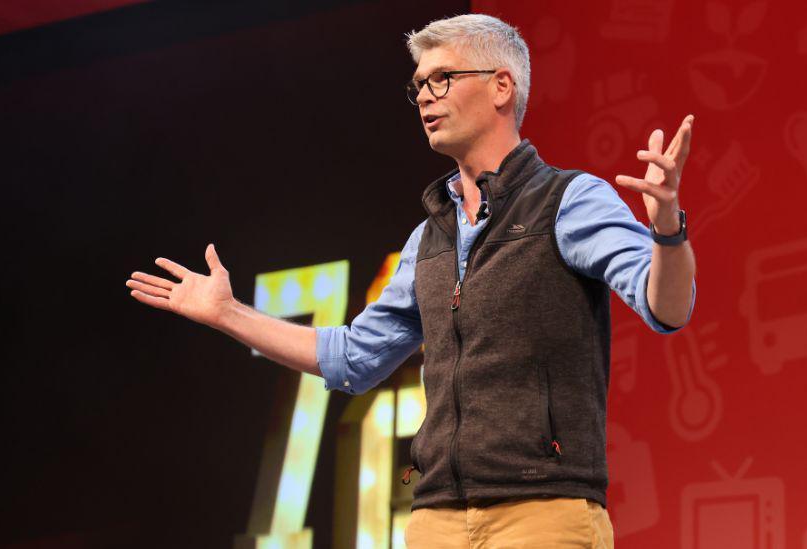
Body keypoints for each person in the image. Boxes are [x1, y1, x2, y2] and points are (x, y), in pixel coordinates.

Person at [126, 13, 696, 548]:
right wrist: (228, 313)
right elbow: (351, 358)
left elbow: (666, 305)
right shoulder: (429, 239)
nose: (424, 94)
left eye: (443, 78)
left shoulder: (568, 200)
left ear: (502, 87)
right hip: (434, 520)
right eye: (419, 84)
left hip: (541, 511)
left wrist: (667, 228)